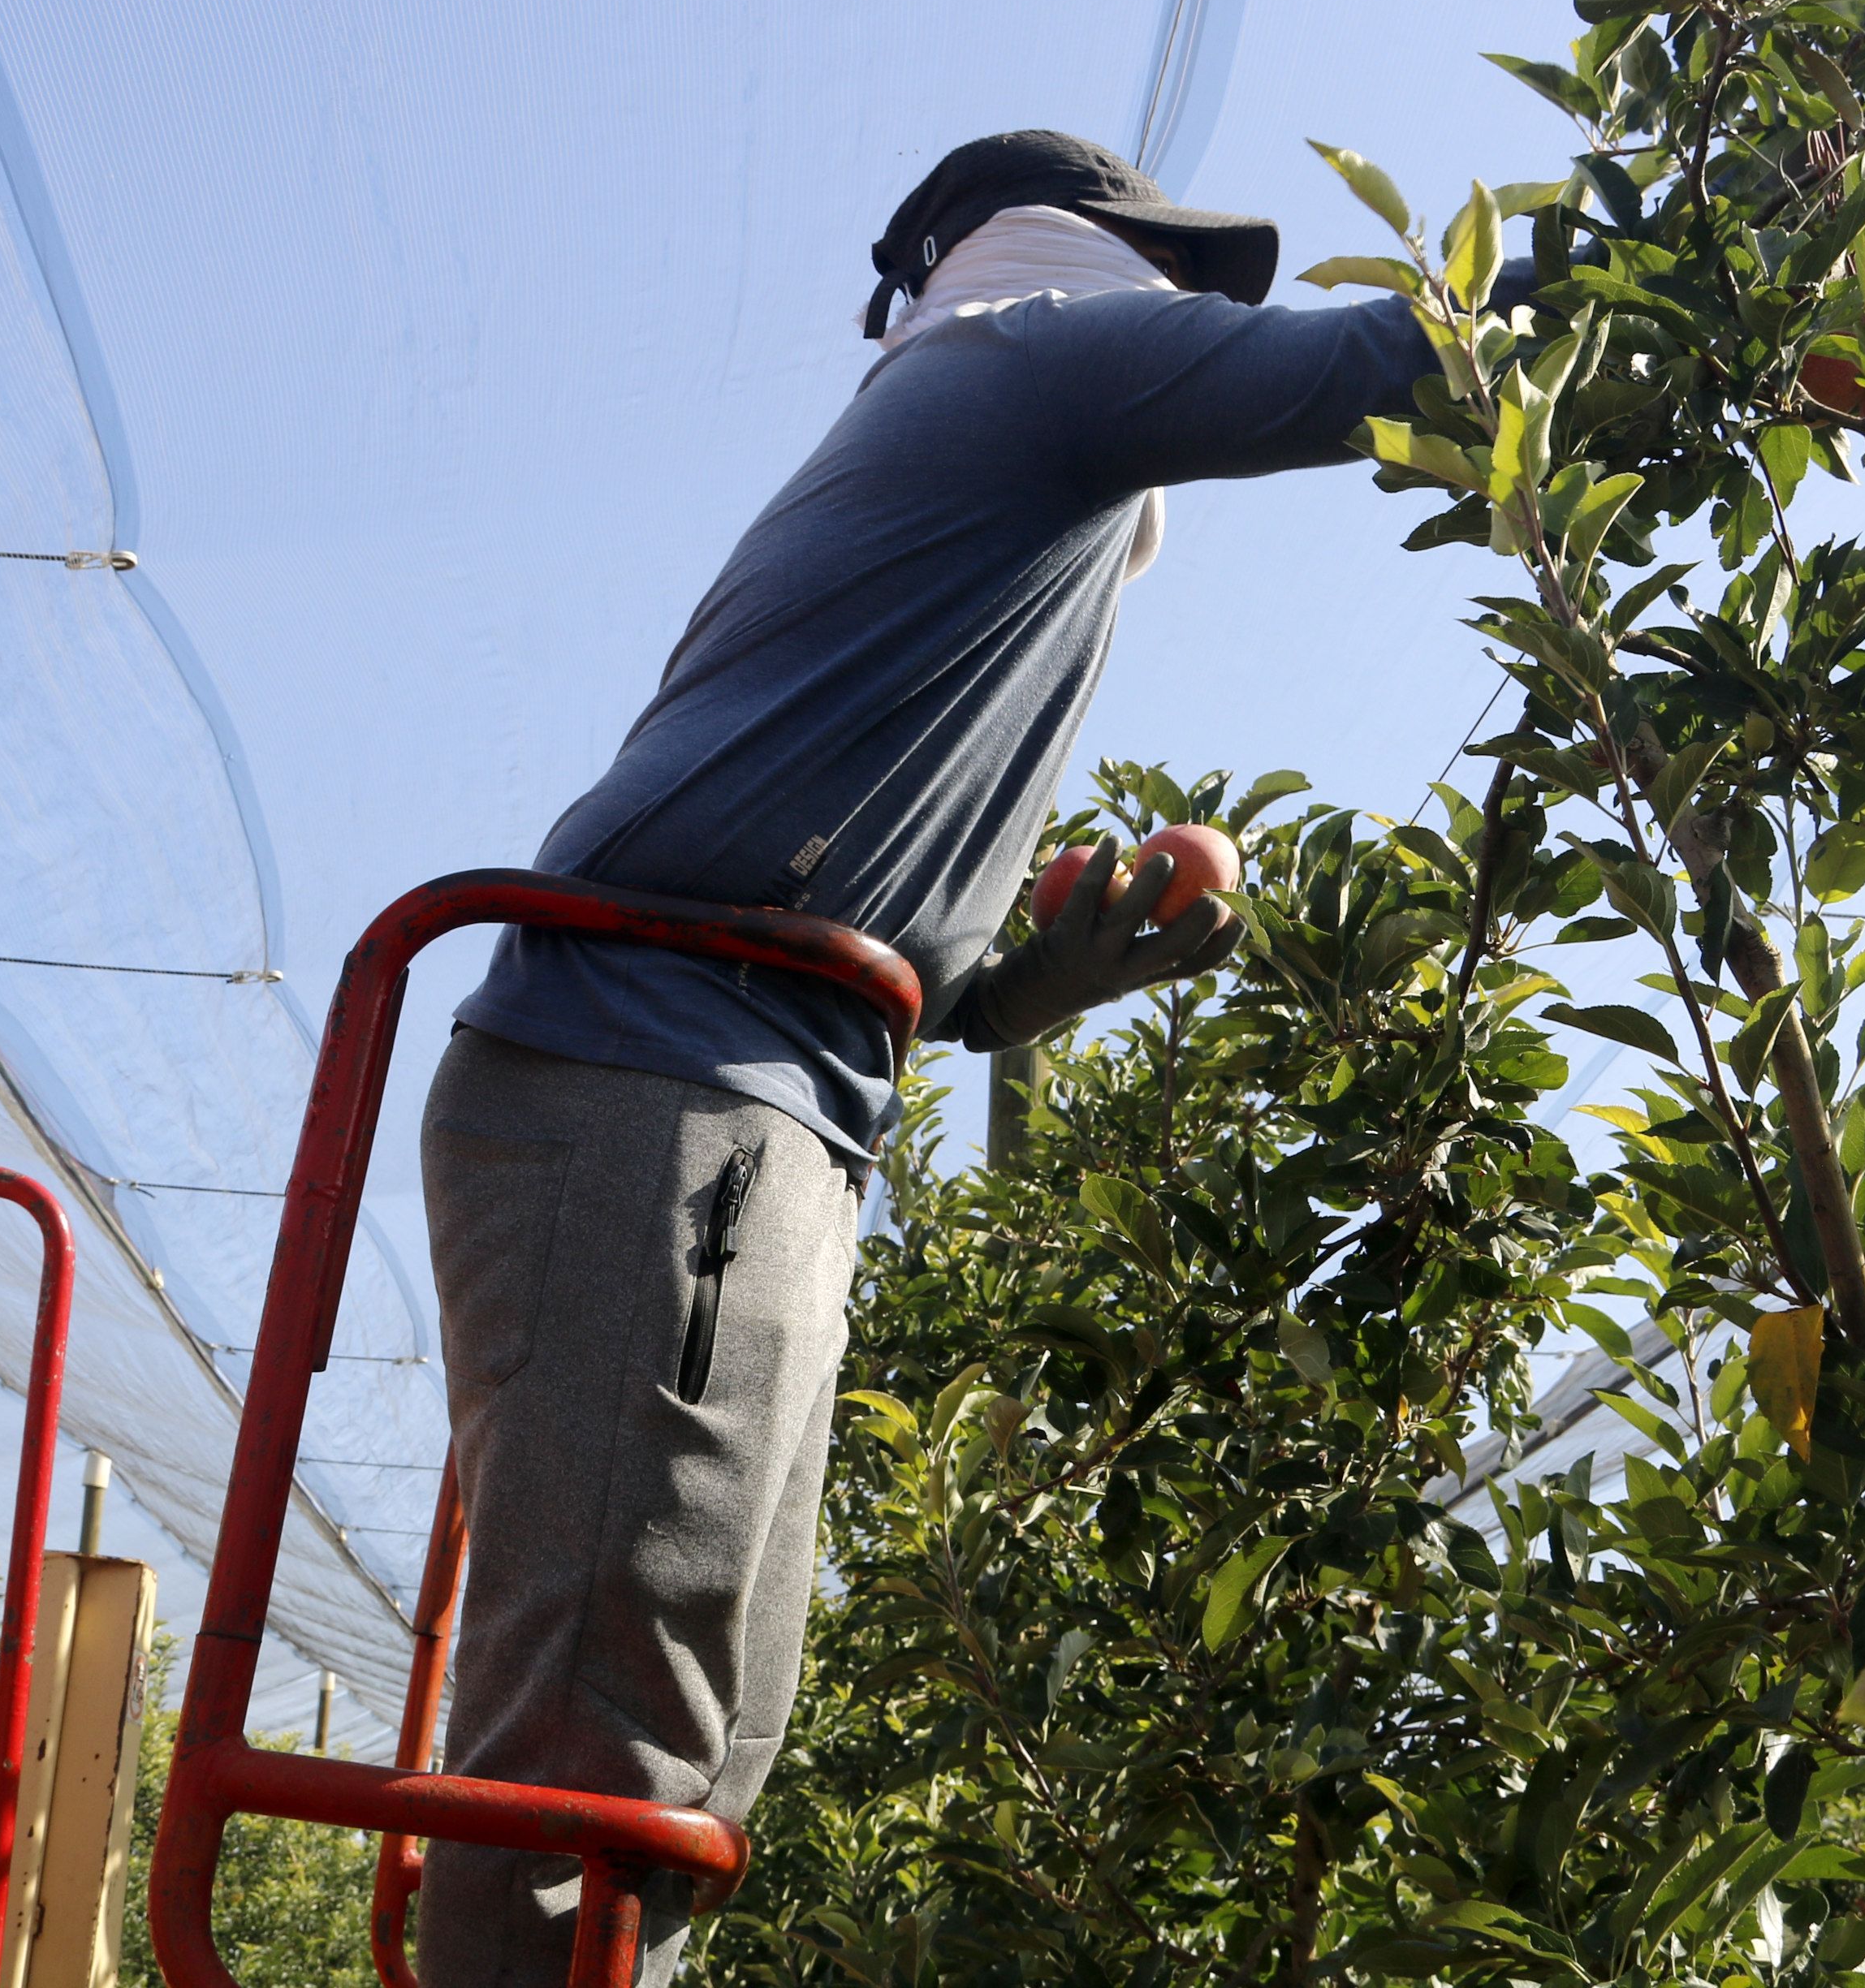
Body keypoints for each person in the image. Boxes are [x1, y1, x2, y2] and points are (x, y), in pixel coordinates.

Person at [416, 128, 1454, 1985]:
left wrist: (1046, 974)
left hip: (765, 1098)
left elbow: (928, 962)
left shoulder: (986, 546)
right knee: (608, 1727)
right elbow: (1399, 367)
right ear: (1088, 259)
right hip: (661, 1074)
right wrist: (1735, 248)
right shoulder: (1036, 354)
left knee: (718, 1727)